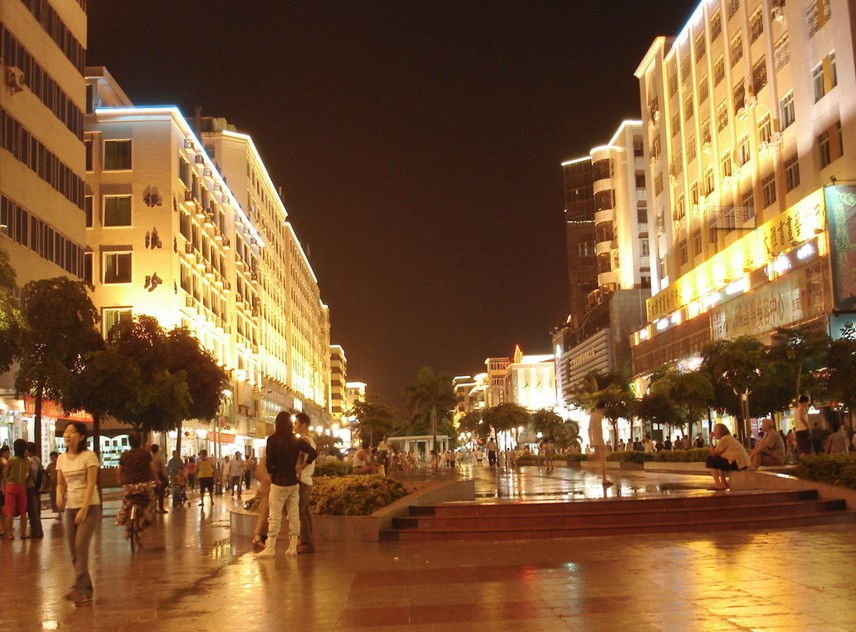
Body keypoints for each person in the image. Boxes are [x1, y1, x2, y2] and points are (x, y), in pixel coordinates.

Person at [256, 412, 317, 559]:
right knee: (294, 515)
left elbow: (270, 464)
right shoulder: (296, 440)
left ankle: (271, 547)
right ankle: (292, 547)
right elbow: (313, 453)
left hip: (278, 482)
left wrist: (272, 478)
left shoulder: (272, 440)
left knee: (275, 516)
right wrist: (302, 466)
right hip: (293, 483)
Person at [56, 421, 101, 606]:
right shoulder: (61, 458)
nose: (68, 435)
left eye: (72, 432)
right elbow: (60, 483)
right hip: (70, 508)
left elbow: (91, 483)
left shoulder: (89, 456)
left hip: (89, 507)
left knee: (80, 545)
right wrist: (59, 497)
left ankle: (77, 588)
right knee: (74, 550)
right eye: (66, 432)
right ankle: (86, 590)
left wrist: (84, 508)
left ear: (81, 437)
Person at [116, 431, 158, 533]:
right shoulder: (145, 454)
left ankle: (127, 525)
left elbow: (119, 470)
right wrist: (157, 480)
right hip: (144, 485)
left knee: (127, 502)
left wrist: (120, 480)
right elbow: (152, 469)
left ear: (129, 442)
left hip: (129, 486)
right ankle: (145, 515)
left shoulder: (125, 455)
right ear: (140, 442)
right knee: (151, 500)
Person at [294, 412, 316, 554]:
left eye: (296, 423)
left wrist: (300, 467)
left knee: (301, 512)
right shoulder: (310, 439)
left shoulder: (305, 441)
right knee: (305, 512)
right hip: (307, 479)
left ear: (303, 425)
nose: (294, 426)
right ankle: (306, 541)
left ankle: (306, 543)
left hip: (303, 479)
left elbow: (304, 459)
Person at [705, 423, 750, 490]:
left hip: (738, 464)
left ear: (721, 431)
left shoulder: (725, 439)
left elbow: (713, 454)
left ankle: (718, 484)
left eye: (715, 430)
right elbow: (717, 454)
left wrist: (710, 440)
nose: (714, 432)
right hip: (742, 463)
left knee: (710, 459)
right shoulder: (728, 438)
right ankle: (723, 483)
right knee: (719, 460)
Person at [3, 439, 29, 540]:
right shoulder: (27, 460)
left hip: (11, 485)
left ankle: (10, 534)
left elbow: (7, 473)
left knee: (10, 510)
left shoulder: (11, 460)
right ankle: (24, 533)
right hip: (22, 486)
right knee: (23, 511)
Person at [588, 402, 612, 486]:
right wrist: (595, 441)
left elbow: (590, 429)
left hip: (597, 440)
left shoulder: (594, 415)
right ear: (601, 408)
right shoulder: (597, 416)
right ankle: (604, 479)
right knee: (602, 459)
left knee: (599, 458)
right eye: (604, 408)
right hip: (598, 441)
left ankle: (603, 477)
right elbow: (595, 430)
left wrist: (592, 441)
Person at [24, 441, 44, 539]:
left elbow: (31, 473)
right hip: (36, 486)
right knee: (36, 509)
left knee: (32, 510)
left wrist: (25, 482)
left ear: (29, 450)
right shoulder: (37, 459)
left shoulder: (32, 460)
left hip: (31, 486)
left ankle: (36, 531)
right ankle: (38, 530)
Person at [150, 444, 168, 513]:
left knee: (153, 493)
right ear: (157, 450)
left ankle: (153, 508)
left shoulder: (149, 458)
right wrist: (165, 476)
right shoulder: (160, 458)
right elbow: (163, 469)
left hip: (150, 476)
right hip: (159, 475)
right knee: (161, 492)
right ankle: (161, 507)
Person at [793, 395, 812, 460]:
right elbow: (801, 417)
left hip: (798, 430)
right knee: (807, 448)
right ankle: (805, 460)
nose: (807, 405)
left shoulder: (796, 409)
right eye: (807, 403)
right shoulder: (802, 408)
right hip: (803, 430)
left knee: (802, 448)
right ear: (804, 402)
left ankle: (802, 460)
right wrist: (807, 425)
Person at [46, 451, 61, 521]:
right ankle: (55, 511)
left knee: (59, 498)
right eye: (51, 458)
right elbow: (46, 472)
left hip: (59, 484)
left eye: (54, 458)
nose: (53, 459)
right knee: (53, 498)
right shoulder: (50, 465)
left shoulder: (60, 464)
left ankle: (60, 512)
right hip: (52, 485)